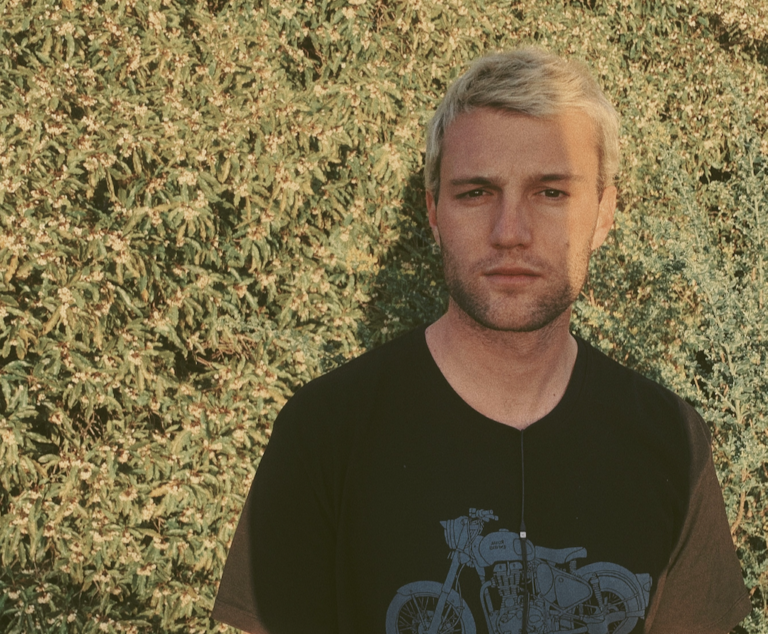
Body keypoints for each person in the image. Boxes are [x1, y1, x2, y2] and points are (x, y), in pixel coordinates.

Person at [212, 48, 751, 634]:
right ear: (434, 212)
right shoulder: (324, 432)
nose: (510, 232)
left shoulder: (671, 441)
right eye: (476, 193)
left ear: (603, 213)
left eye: (551, 192)